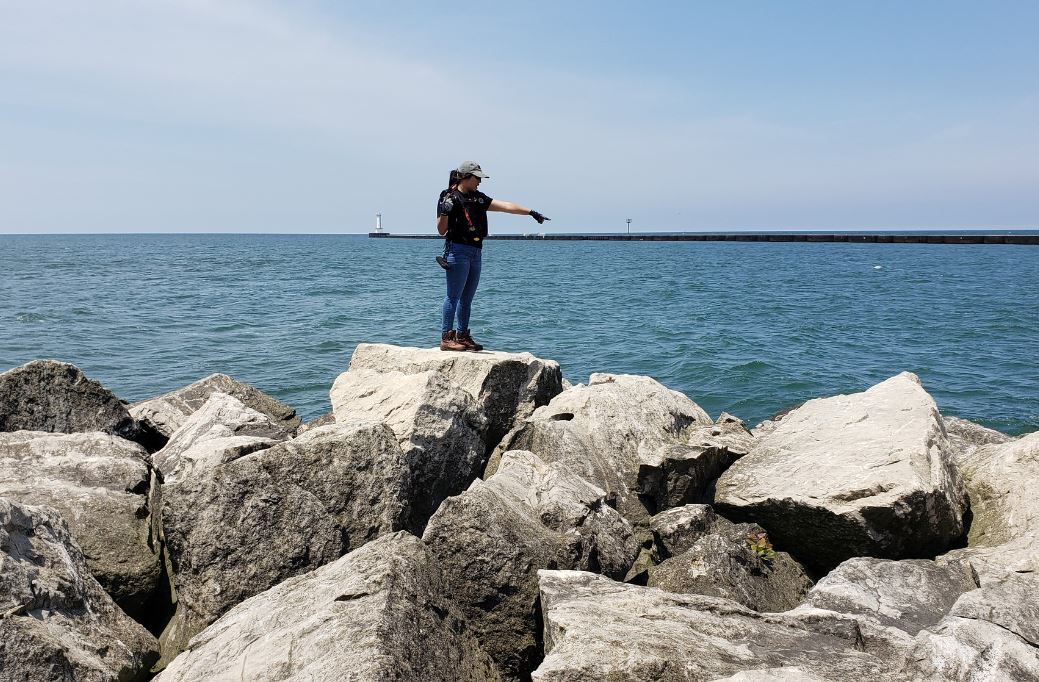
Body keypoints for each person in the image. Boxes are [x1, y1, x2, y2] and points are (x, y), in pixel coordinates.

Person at [436, 161, 549, 352]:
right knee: (453, 296)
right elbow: (441, 230)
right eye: (477, 178)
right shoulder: (449, 197)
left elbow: (505, 206)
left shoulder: (478, 198)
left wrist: (531, 212)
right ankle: (447, 338)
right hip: (458, 251)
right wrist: (445, 212)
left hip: (476, 251)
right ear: (466, 177)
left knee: (467, 298)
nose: (480, 181)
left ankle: (462, 336)